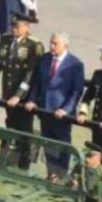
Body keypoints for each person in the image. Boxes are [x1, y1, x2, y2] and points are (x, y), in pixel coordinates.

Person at [0, 13, 44, 168]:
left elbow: (30, 74)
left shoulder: (34, 45)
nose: (13, 29)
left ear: (27, 28)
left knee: (24, 130)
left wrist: (18, 96)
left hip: (24, 97)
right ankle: (9, 159)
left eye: (17, 26)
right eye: (13, 25)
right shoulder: (6, 40)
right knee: (11, 124)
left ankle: (23, 163)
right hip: (7, 92)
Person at [25, 31, 85, 180]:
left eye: (55, 44)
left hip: (61, 115)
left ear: (66, 45)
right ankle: (51, 174)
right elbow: (37, 83)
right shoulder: (45, 59)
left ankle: (60, 175)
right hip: (45, 111)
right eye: (51, 43)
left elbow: (76, 92)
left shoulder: (75, 64)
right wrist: (32, 99)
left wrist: (66, 109)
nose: (52, 46)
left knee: (62, 146)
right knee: (48, 145)